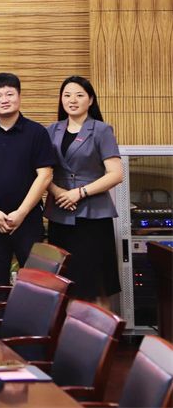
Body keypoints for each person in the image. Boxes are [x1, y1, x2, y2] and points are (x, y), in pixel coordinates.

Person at [0, 72, 56, 288]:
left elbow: (45, 175)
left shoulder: (37, 132)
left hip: (28, 220)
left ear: (19, 96)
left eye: (10, 94)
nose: (4, 99)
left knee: (35, 283)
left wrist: (21, 213)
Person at [46, 75, 123, 303]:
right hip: (60, 214)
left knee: (95, 285)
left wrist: (79, 193)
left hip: (93, 216)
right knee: (63, 284)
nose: (72, 100)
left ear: (90, 100)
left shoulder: (101, 130)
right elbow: (41, 171)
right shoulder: (51, 130)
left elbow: (116, 174)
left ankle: (100, 327)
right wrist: (57, 192)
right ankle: (66, 327)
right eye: (67, 95)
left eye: (79, 95)